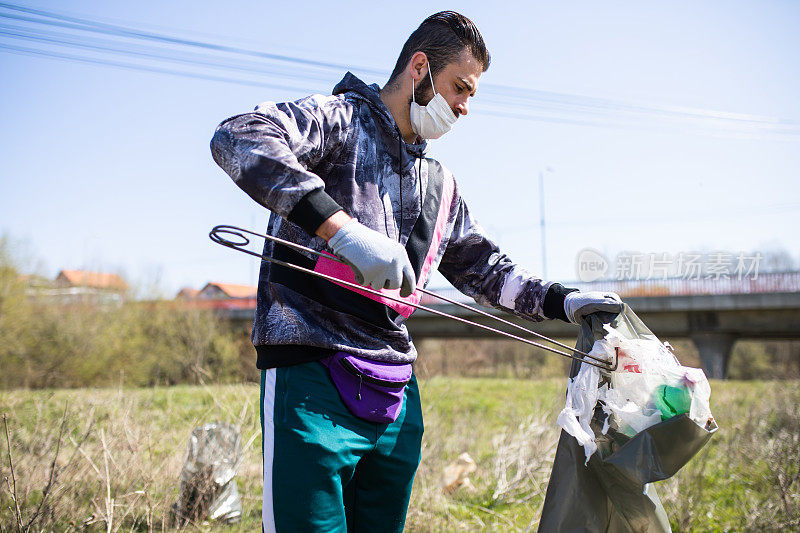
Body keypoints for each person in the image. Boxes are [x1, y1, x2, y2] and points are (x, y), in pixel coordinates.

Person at [210, 11, 623, 532]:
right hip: (311, 377)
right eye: (459, 88)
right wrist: (339, 229)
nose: (464, 108)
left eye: (471, 96)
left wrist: (563, 299)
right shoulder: (337, 121)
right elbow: (237, 136)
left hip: (397, 397)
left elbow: (486, 270)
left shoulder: (441, 184)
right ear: (420, 67)